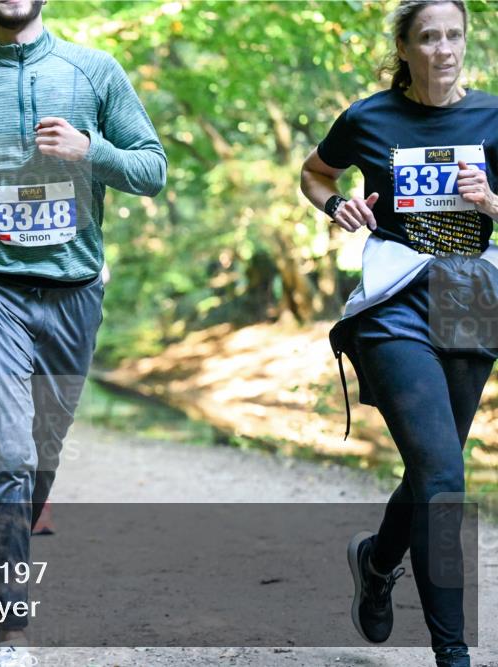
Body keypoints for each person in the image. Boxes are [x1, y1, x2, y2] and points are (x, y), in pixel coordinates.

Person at [0, 1, 166, 664]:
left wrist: (92, 150)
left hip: (74, 292)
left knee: (43, 445)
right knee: (4, 445)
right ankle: (13, 627)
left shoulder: (94, 72)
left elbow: (153, 169)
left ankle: (20, 528)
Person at [300, 2, 497, 665]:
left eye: (454, 36)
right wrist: (337, 204)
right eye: (429, 37)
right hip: (395, 300)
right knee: (444, 472)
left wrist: (493, 203)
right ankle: (453, 654)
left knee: (430, 470)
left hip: (471, 296)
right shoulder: (369, 118)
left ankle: (378, 563)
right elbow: (314, 172)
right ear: (405, 48)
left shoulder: (494, 117)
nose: (444, 49)